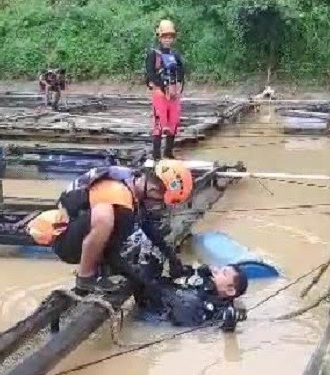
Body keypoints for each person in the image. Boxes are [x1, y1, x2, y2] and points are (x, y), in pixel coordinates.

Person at [27, 160, 194, 294]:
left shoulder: (131, 182)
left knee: (116, 227)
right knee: (107, 219)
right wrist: (142, 283)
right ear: (154, 188)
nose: (157, 206)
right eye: (159, 201)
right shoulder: (120, 200)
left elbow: (147, 225)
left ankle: (96, 271)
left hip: (75, 230)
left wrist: (172, 258)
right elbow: (111, 253)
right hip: (66, 244)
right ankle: (85, 277)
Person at [129, 251, 250, 332]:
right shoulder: (205, 277)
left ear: (230, 290)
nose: (217, 270)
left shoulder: (218, 311)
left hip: (155, 317)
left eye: (223, 273)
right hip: (160, 294)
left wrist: (229, 322)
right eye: (220, 268)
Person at [145, 19, 185, 160]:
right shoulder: (153, 54)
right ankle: (156, 156)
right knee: (159, 124)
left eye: (170, 37)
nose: (167, 39)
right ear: (160, 37)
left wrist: (178, 86)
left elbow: (181, 71)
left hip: (173, 93)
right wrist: (162, 86)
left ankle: (168, 153)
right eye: (165, 36)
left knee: (173, 123)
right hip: (159, 93)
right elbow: (150, 73)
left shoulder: (175, 54)